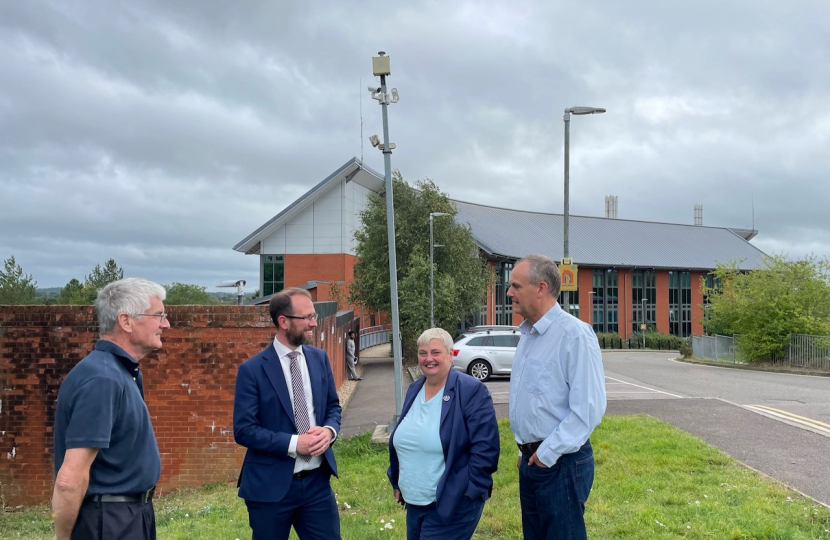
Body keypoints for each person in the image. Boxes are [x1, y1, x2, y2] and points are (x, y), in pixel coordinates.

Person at [52, 278, 169, 540]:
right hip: (108, 521)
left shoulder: (120, 372)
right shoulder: (102, 379)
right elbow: (69, 480)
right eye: (158, 315)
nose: (166, 324)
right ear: (126, 321)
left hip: (128, 516)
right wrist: (62, 538)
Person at [506, 254, 607, 540]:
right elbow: (536, 402)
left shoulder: (574, 335)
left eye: (515, 286)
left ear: (540, 288)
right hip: (533, 461)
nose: (509, 292)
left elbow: (588, 409)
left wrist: (545, 453)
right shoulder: (528, 335)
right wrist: (523, 449)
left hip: (560, 462)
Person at [233, 287, 342, 540]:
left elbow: (332, 407)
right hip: (269, 488)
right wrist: (295, 443)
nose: (314, 323)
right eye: (307, 318)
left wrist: (329, 430)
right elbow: (244, 430)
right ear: (283, 321)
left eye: (314, 316)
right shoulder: (252, 370)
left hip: (317, 483)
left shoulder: (319, 359)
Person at [388, 328, 500, 540]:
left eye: (435, 352)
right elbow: (407, 439)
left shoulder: (471, 390)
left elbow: (486, 449)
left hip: (451, 503)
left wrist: (468, 493)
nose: (428, 359)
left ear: (451, 354)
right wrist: (398, 481)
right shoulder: (415, 388)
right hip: (414, 502)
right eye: (423, 353)